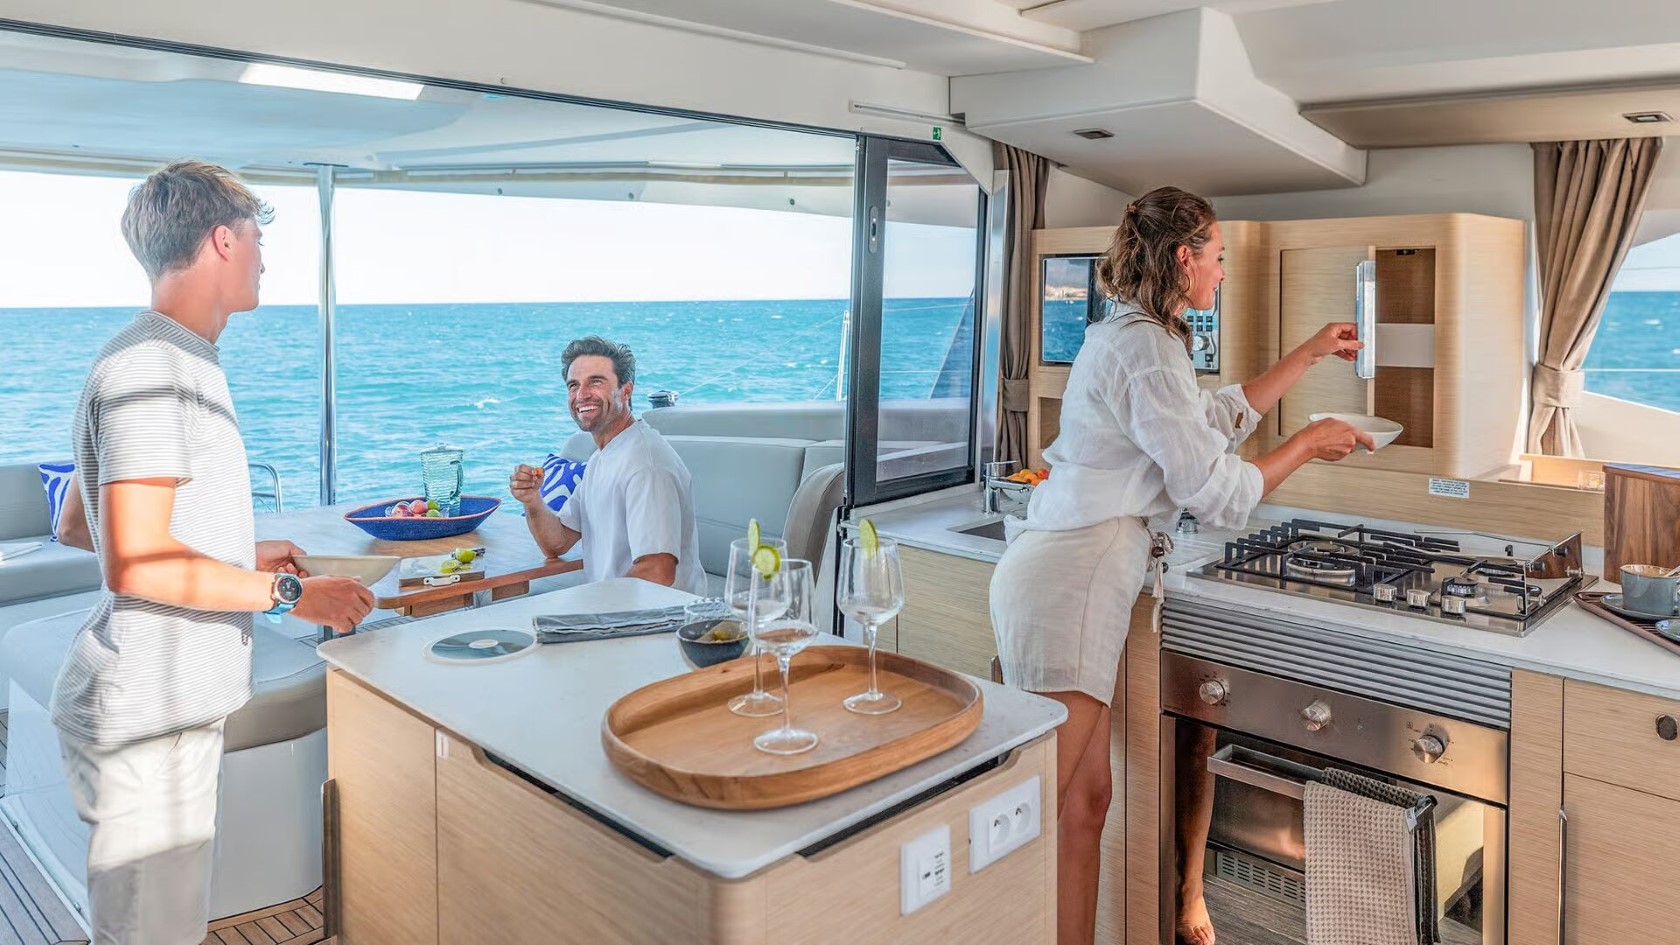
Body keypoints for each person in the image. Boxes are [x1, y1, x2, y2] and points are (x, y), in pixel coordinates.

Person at [989, 185, 1375, 945]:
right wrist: (1307, 443)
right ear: (1182, 258)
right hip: (1071, 580)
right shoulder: (1145, 348)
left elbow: (1208, 422)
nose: (1223, 272)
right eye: (1218, 257)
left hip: (1072, 571)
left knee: (1084, 804)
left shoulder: (1138, 336)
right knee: (1031, 808)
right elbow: (1216, 491)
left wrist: (1307, 354)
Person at [51, 160, 375, 945]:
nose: (265, 257)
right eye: (258, 236)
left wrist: (240, 549)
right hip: (147, 717)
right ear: (224, 240)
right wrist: (292, 594)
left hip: (163, 712)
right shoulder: (156, 368)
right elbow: (134, 562)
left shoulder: (161, 356)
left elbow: (79, 523)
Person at [509, 335, 708, 595]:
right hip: (622, 607)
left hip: (661, 614)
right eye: (573, 385)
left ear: (626, 390)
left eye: (596, 382)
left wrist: (591, 605)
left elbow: (657, 571)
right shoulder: (603, 456)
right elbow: (557, 543)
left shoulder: (646, 465)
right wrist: (532, 500)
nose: (581, 395)